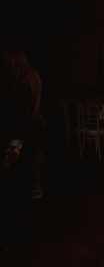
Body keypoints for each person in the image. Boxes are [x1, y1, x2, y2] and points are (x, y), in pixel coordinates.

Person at [3, 48, 44, 200]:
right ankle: (21, 184)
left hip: (32, 118)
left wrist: (31, 117)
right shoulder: (12, 75)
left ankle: (37, 185)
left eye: (6, 56)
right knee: (18, 149)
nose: (3, 59)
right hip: (18, 119)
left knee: (35, 151)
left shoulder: (31, 74)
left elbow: (36, 97)